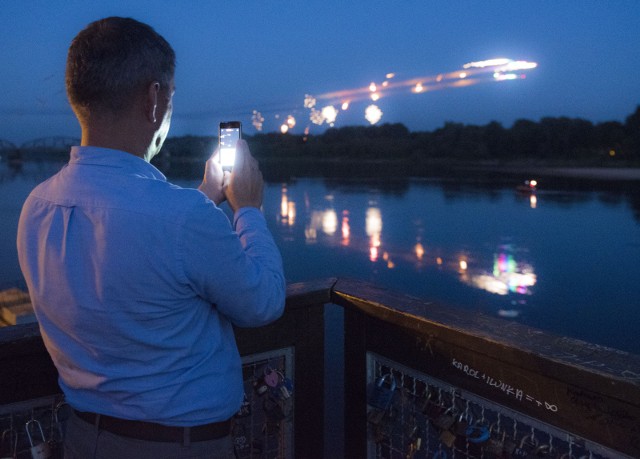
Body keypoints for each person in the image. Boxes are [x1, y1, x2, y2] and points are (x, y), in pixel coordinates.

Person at [16, 17, 286, 459]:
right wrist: (249, 211)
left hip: (84, 439)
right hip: (178, 447)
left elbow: (131, 244)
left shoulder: (37, 207)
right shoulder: (181, 218)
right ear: (155, 99)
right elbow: (263, 302)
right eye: (171, 96)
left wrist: (204, 198)